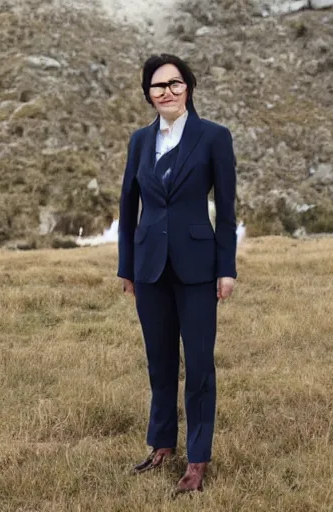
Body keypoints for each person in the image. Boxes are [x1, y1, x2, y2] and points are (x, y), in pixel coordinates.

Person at [116, 53, 238, 495]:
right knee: (160, 360)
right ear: (148, 94)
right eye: (157, 86)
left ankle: (198, 459)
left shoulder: (213, 138)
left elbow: (226, 210)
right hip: (149, 268)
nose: (166, 92)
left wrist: (227, 268)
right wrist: (126, 266)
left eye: (175, 84)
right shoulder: (139, 141)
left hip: (198, 269)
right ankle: (161, 444)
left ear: (188, 87)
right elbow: (128, 206)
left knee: (200, 365)